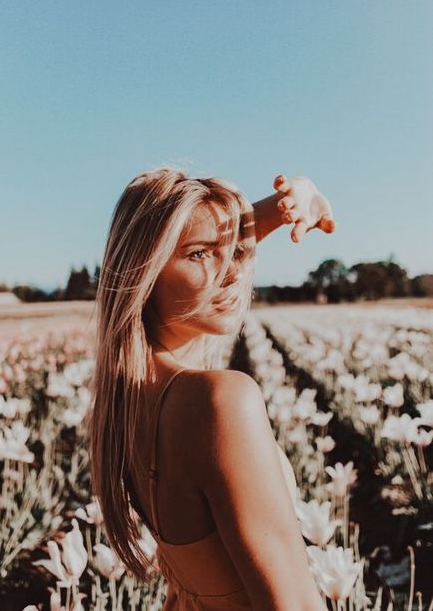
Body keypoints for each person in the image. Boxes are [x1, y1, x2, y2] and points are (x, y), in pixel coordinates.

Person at [86, 167, 335, 611]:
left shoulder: (126, 400)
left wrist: (287, 207)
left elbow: (199, 238)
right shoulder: (218, 402)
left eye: (237, 251)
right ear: (145, 269)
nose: (232, 273)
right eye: (201, 256)